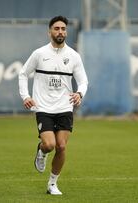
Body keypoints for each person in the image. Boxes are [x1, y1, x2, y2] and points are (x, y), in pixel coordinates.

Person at [18, 15, 88, 195]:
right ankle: (41, 151)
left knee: (62, 146)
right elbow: (23, 74)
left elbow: (83, 81)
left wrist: (80, 94)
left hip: (65, 107)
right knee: (49, 144)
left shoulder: (73, 56)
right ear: (49, 31)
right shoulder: (39, 54)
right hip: (43, 107)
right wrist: (25, 96)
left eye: (63, 29)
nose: (60, 31)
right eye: (56, 28)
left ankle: (52, 184)